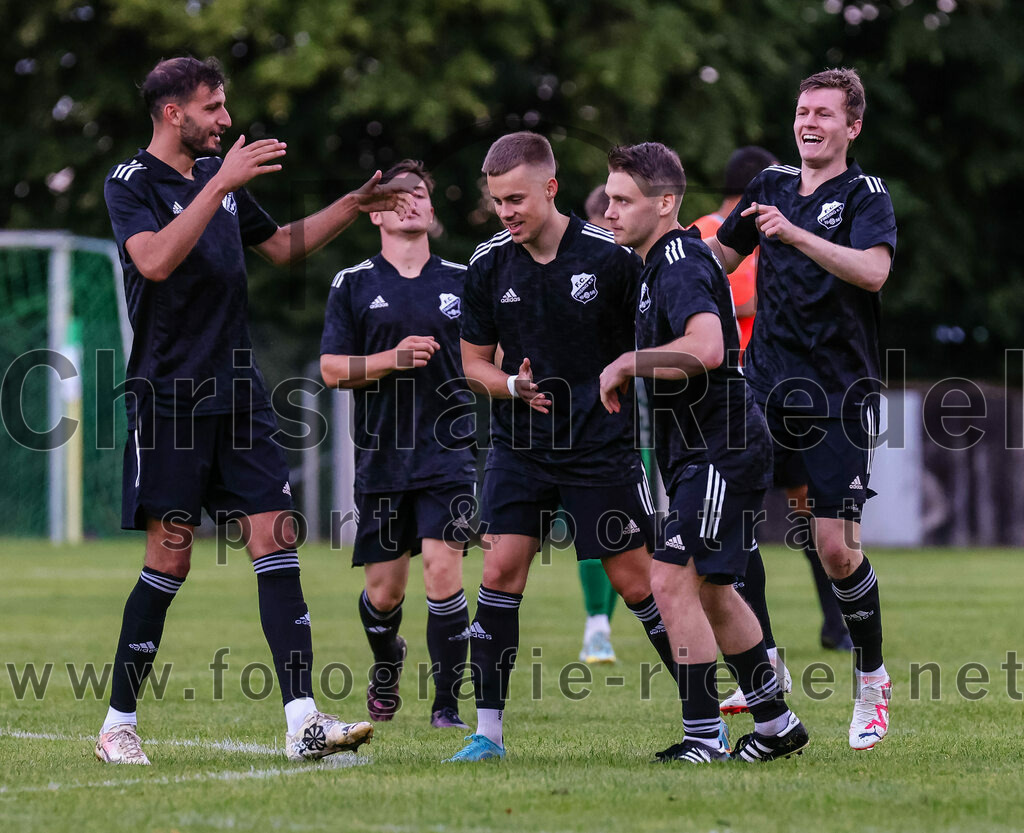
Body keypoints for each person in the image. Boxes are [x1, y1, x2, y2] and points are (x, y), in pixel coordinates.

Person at [98, 56, 412, 764]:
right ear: (174, 113)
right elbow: (154, 261)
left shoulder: (218, 175)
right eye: (212, 107)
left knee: (277, 540)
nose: (226, 119)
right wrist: (220, 186)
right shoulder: (131, 182)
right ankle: (118, 724)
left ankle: (303, 721)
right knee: (171, 558)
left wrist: (353, 205)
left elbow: (282, 246)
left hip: (238, 394)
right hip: (170, 398)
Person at [447, 131, 679, 763]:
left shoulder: (613, 258)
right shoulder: (488, 264)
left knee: (637, 583)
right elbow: (472, 364)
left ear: (550, 188)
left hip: (600, 447)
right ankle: (487, 734)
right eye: (497, 201)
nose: (506, 212)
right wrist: (510, 386)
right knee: (499, 572)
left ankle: (704, 716)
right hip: (519, 447)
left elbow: (659, 336)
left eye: (516, 199)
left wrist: (632, 373)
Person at [706, 68, 897, 751]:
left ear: (853, 126)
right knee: (726, 530)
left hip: (838, 395)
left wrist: (794, 235)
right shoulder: (769, 185)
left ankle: (872, 681)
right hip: (761, 388)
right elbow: (717, 256)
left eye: (824, 113)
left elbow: (873, 272)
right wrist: (658, 257)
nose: (809, 122)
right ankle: (766, 659)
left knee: (836, 549)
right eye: (802, 111)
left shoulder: (865, 194)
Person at [600, 141, 808, 764]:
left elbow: (708, 347)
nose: (609, 211)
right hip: (708, 451)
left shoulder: (678, 260)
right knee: (715, 590)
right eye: (609, 198)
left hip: (720, 448)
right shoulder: (657, 264)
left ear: (665, 203)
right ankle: (777, 726)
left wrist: (628, 362)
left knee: (669, 580)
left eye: (622, 200)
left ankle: (703, 737)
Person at [320, 159, 476, 731]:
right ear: (375, 214)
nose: (412, 202)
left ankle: (446, 707)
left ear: (432, 210)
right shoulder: (354, 283)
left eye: (421, 194)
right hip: (382, 456)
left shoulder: (464, 279)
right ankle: (387, 662)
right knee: (384, 594)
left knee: (443, 570)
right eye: (397, 196)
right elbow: (332, 370)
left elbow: (493, 355)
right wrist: (392, 358)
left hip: (449, 452)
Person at [574, 184, 621, 665]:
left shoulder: (633, 265)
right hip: (574, 418)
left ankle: (602, 624)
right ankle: (596, 624)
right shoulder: (573, 266)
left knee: (625, 531)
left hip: (628, 415)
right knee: (591, 525)